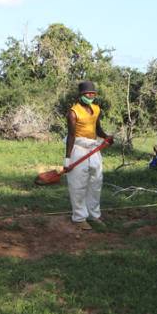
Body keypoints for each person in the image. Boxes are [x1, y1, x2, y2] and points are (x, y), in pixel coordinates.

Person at [65, 80, 112, 228]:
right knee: (78, 184)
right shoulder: (73, 112)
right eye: (87, 94)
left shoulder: (96, 109)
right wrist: (67, 159)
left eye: (93, 93)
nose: (90, 96)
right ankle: (79, 218)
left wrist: (106, 137)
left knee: (96, 182)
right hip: (78, 149)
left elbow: (97, 128)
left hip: (93, 149)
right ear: (81, 95)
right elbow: (71, 136)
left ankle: (93, 215)